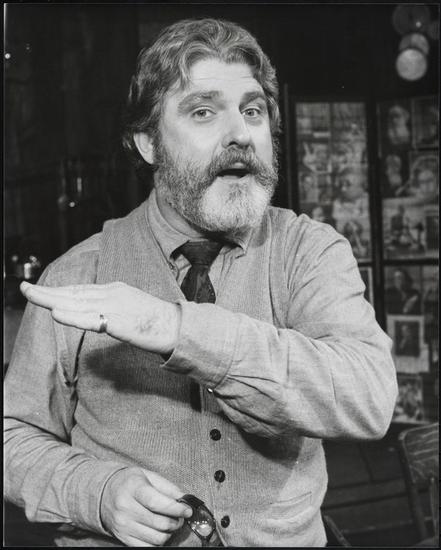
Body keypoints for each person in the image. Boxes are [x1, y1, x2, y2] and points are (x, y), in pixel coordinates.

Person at [4, 18, 398, 548]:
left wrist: (175, 328)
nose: (241, 134)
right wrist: (95, 493)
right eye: (203, 112)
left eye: (252, 111)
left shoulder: (309, 251)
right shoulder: (77, 275)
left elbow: (369, 396)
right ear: (148, 143)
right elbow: (11, 436)